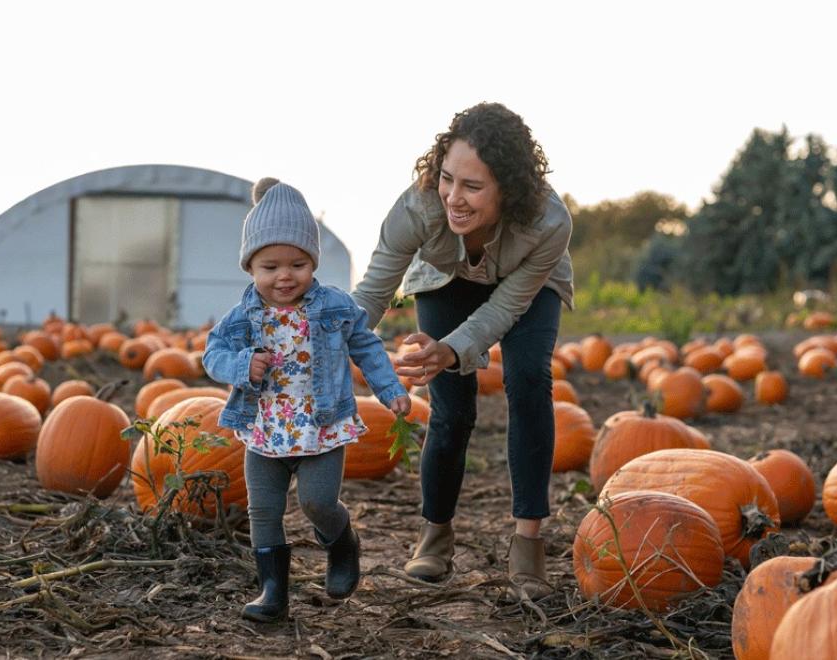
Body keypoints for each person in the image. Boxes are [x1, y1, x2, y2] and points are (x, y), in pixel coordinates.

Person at [351, 102, 574, 599]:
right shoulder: (419, 208)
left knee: (529, 379)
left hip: (526, 288)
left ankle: (528, 544)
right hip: (444, 278)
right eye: (447, 178)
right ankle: (435, 534)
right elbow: (371, 294)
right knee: (451, 409)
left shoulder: (548, 223)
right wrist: (322, 346)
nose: (453, 197)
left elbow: (503, 309)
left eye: (472, 187)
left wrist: (452, 348)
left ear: (509, 190)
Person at [203, 178, 411, 622]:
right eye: (270, 266)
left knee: (317, 502)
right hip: (264, 429)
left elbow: (367, 347)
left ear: (313, 263)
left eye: (298, 264)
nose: (284, 276)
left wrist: (390, 389)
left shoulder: (333, 305)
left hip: (321, 426)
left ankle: (342, 543)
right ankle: (273, 592)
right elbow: (212, 355)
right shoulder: (242, 316)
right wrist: (242, 365)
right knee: (264, 510)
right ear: (251, 267)